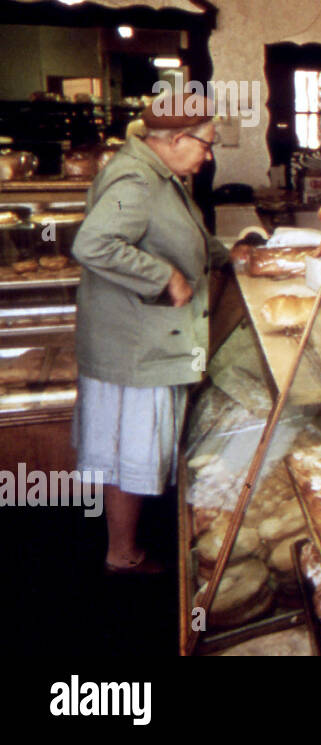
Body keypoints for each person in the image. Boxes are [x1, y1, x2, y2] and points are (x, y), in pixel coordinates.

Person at [70, 97, 230, 574]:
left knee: (131, 450)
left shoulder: (160, 174)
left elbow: (179, 236)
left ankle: (124, 545)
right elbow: (94, 242)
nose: (208, 156)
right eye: (206, 145)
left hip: (141, 338)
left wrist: (229, 256)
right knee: (129, 451)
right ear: (177, 139)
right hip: (134, 344)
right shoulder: (134, 178)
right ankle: (122, 554)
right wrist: (163, 276)